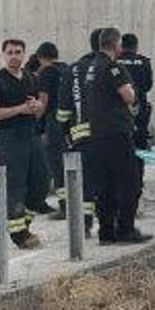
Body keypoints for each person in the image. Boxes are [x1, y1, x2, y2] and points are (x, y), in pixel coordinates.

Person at [84, 27, 150, 245]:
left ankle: (106, 231)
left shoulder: (92, 67)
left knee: (105, 185)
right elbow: (129, 96)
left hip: (96, 134)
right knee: (129, 182)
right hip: (116, 132)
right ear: (115, 44)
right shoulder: (112, 67)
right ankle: (126, 229)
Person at [0, 39, 47, 249]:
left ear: (23, 54)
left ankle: (22, 225)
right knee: (16, 187)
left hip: (32, 136)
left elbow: (39, 108)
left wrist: (38, 107)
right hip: (10, 140)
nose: (14, 56)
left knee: (41, 184)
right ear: (3, 55)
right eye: (9, 52)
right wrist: (19, 109)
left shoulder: (31, 78)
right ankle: (19, 235)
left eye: (18, 52)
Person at [57, 29, 102, 237]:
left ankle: (84, 224)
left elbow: (64, 108)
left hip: (80, 136)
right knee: (109, 179)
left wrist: (65, 131)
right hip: (107, 135)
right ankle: (109, 222)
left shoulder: (73, 69)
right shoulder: (108, 66)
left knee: (86, 182)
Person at [34, 42, 69, 220]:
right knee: (69, 164)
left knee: (56, 165)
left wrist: (35, 122)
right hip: (69, 123)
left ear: (41, 58)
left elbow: (43, 102)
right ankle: (75, 202)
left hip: (53, 123)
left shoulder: (46, 72)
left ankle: (64, 206)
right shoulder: (67, 69)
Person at [117, 33, 153, 198]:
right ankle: (137, 181)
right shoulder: (144, 62)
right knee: (140, 146)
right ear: (136, 46)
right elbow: (147, 85)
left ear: (121, 46)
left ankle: (122, 182)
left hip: (120, 112)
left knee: (121, 146)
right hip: (140, 110)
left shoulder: (115, 63)